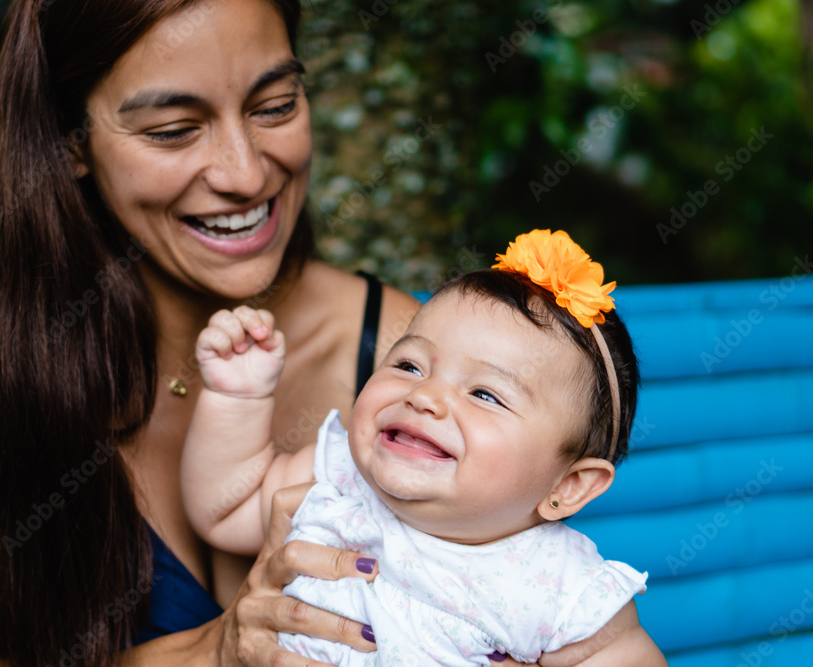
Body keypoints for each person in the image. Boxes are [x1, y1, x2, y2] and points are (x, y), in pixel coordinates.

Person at [0, 0, 434, 665]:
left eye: (274, 107)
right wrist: (208, 653)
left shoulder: (403, 355)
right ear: (70, 143)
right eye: (174, 129)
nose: (245, 173)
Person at [181, 230, 669, 665]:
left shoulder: (561, 588)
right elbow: (228, 508)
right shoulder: (339, 475)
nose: (425, 396)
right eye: (410, 365)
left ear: (568, 484)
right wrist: (237, 396)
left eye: (484, 394)